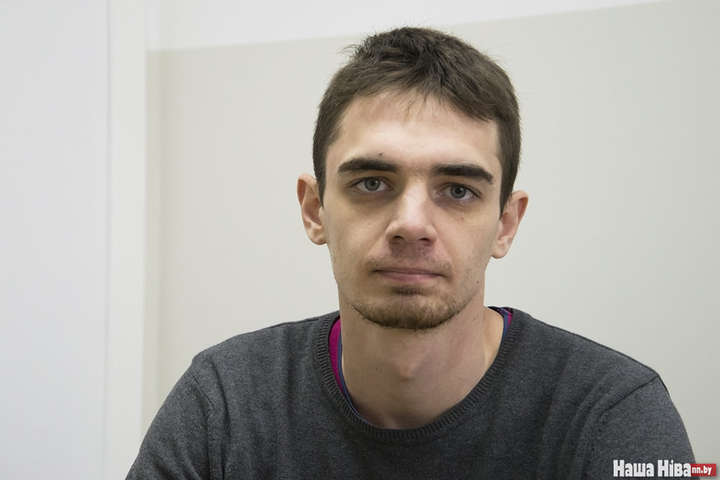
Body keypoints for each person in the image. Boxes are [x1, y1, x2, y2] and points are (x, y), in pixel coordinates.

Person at [127, 27, 694, 479]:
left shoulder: (614, 411)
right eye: (372, 183)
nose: (412, 224)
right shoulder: (225, 401)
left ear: (506, 223)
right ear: (315, 209)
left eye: (458, 190)